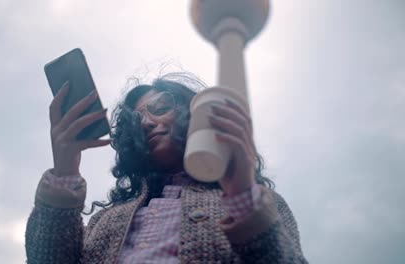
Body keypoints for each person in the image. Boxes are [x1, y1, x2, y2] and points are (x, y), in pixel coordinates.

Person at [25, 73, 307, 263]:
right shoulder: (104, 220)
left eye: (160, 107)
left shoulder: (260, 205)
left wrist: (243, 200)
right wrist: (64, 170)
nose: (146, 122)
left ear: (192, 113)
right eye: (137, 119)